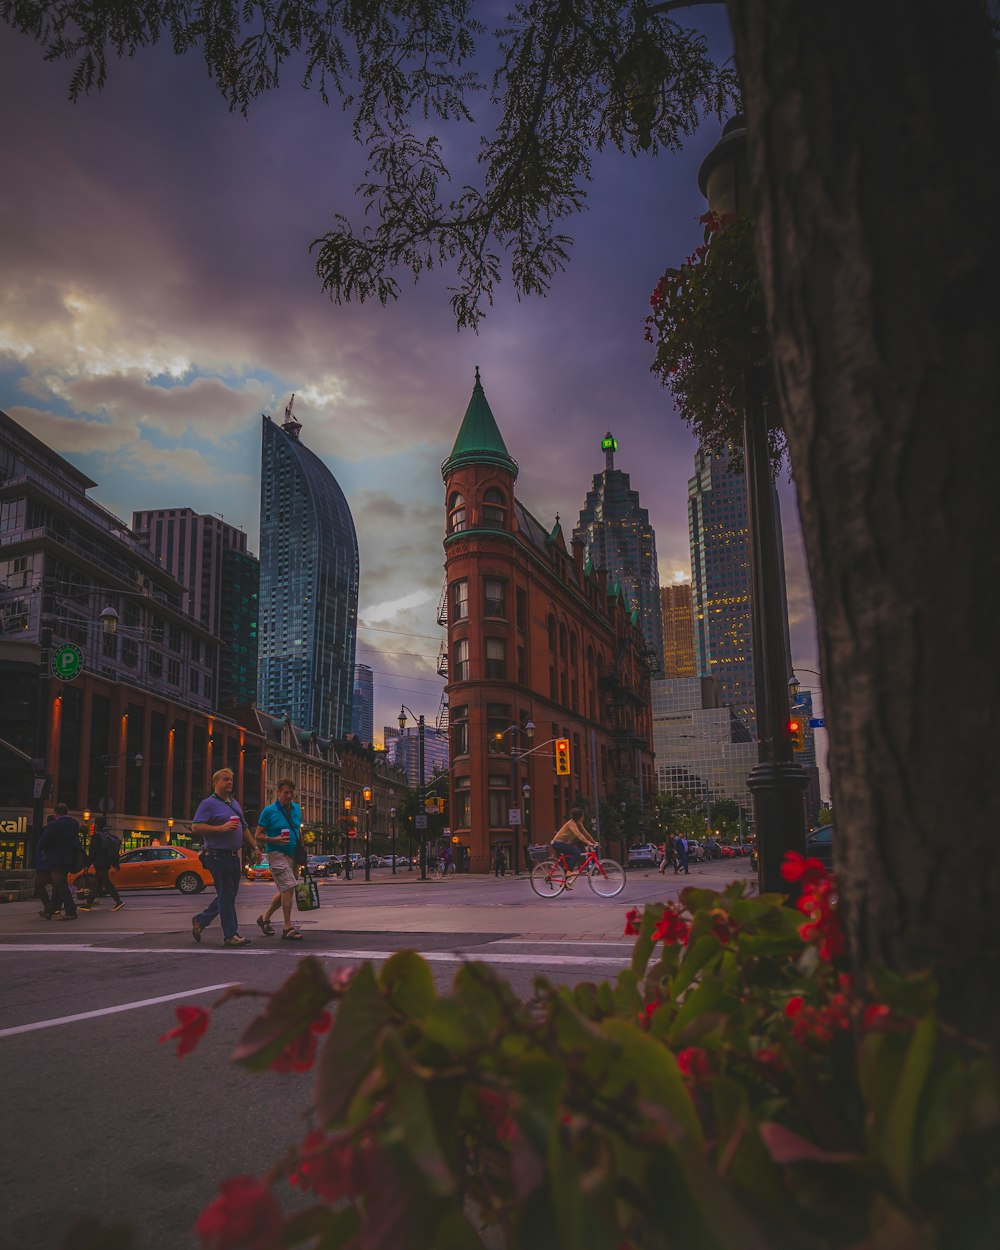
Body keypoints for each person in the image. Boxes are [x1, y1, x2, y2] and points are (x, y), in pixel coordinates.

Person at [190, 768, 259, 947]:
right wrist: (221, 828)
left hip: (233, 857)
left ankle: (201, 920)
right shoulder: (208, 804)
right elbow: (196, 827)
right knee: (226, 895)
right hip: (216, 855)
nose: (229, 782)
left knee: (228, 895)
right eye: (225, 779)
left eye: (231, 780)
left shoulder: (234, 803)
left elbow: (244, 827)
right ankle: (230, 934)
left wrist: (255, 847)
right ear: (215, 783)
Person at [254, 778, 304, 941]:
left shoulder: (297, 809)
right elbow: (258, 835)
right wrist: (275, 839)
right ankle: (287, 927)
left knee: (286, 890)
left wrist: (302, 852)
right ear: (278, 793)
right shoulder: (269, 811)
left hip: (293, 854)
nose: (288, 796)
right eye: (285, 793)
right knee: (289, 887)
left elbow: (298, 831)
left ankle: (265, 918)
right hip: (275, 853)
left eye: (291, 793)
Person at [37, 803, 83, 921]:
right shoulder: (74, 824)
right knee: (59, 884)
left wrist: (40, 849)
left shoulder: (54, 825)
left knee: (60, 885)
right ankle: (49, 911)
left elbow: (44, 841)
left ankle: (71, 911)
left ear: (56, 813)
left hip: (57, 859)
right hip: (70, 859)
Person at [79, 817, 124, 912]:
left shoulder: (97, 836)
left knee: (105, 882)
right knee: (97, 883)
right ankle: (88, 904)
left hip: (99, 863)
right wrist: (115, 863)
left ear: (97, 825)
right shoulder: (108, 836)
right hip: (106, 863)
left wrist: (87, 864)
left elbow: (92, 852)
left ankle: (118, 901)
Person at [550, 807, 598, 883]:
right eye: (583, 816)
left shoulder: (578, 823)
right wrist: (588, 843)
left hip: (563, 844)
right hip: (558, 843)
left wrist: (593, 842)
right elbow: (579, 835)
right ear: (579, 817)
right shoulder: (571, 824)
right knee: (576, 852)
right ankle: (569, 872)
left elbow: (585, 833)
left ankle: (565, 883)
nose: (583, 817)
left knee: (569, 864)